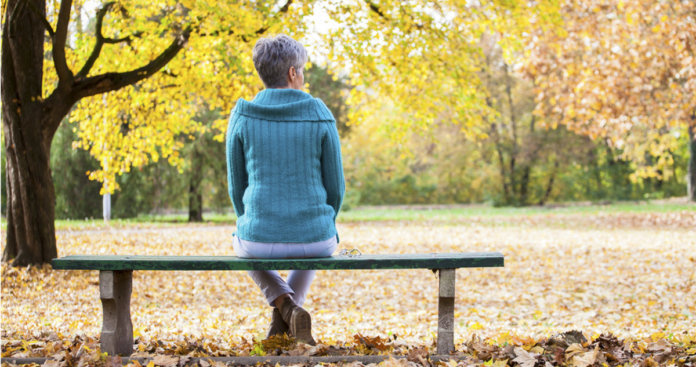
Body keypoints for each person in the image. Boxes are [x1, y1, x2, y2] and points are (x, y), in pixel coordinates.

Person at [226, 34, 345, 345]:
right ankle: (288, 314)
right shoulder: (319, 112)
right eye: (303, 70)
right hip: (317, 240)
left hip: (258, 240)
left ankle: (284, 308)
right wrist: (324, 223)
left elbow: (236, 187)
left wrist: (252, 220)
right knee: (316, 243)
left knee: (240, 242)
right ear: (293, 73)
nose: (304, 76)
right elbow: (336, 189)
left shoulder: (242, 115)